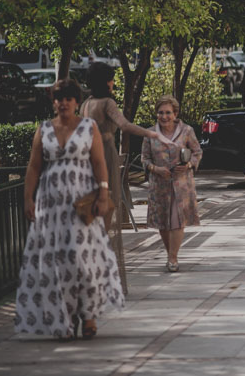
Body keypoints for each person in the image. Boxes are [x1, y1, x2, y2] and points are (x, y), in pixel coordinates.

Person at [15, 79, 124, 340]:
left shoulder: (89, 127)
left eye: (68, 98)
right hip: (50, 206)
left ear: (77, 102)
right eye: (58, 98)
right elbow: (33, 167)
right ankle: (63, 317)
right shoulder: (44, 129)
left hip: (81, 204)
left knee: (83, 259)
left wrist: (104, 193)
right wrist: (28, 199)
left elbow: (99, 162)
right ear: (53, 101)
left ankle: (88, 314)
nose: (63, 103)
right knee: (56, 263)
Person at [80, 62, 169, 292]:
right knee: (108, 213)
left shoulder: (86, 104)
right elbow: (124, 125)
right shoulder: (108, 103)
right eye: (111, 78)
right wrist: (151, 133)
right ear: (105, 81)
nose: (113, 83)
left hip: (88, 157)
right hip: (106, 155)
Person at [141, 95, 203, 272]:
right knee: (163, 222)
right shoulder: (150, 134)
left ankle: (173, 257)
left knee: (177, 220)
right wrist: (155, 168)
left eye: (168, 112)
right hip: (159, 183)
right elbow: (144, 158)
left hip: (181, 182)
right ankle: (171, 254)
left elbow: (197, 152)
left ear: (175, 114)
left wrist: (189, 164)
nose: (164, 116)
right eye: (160, 112)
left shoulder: (187, 131)